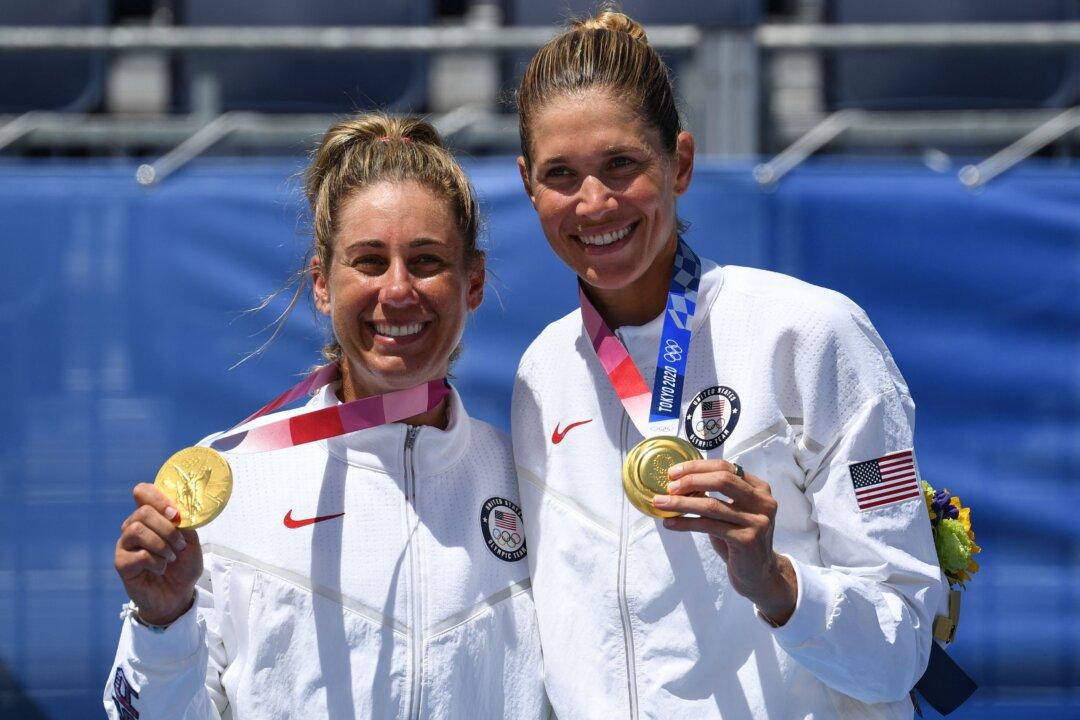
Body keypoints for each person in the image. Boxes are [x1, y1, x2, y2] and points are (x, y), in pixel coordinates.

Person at [511, 10, 943, 719]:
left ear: (679, 162)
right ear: (530, 185)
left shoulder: (814, 335)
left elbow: (903, 651)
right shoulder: (541, 374)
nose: (594, 203)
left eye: (622, 163)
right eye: (562, 175)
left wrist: (776, 585)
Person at [105, 115, 548, 719]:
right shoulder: (230, 486)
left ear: (472, 280)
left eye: (425, 261)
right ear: (321, 283)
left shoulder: (528, 477)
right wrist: (162, 622)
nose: (397, 291)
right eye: (369, 262)